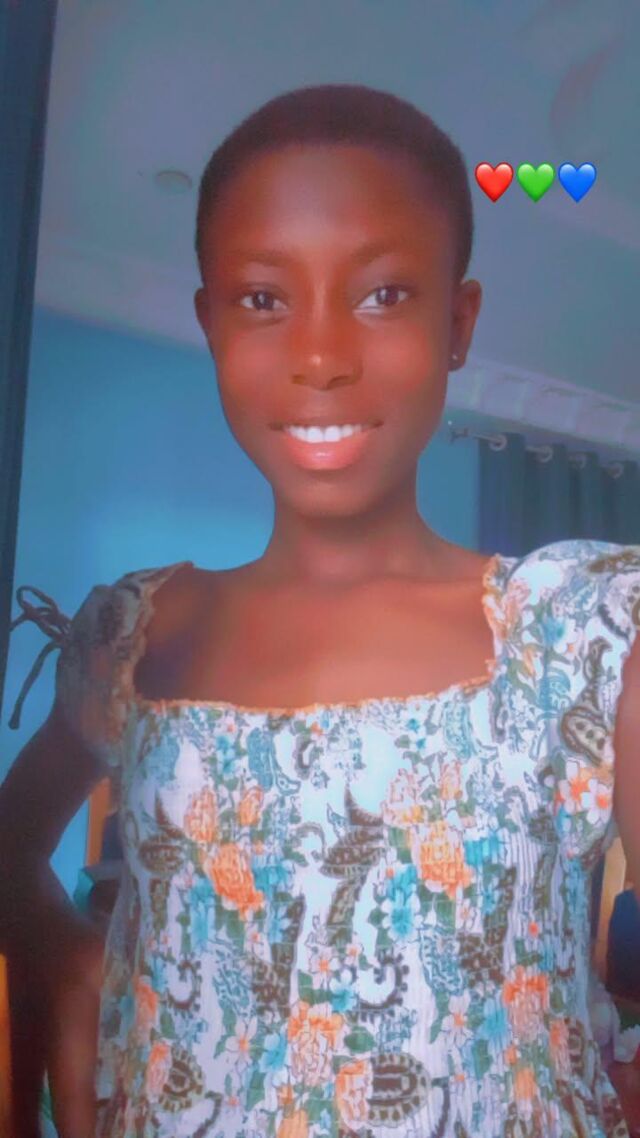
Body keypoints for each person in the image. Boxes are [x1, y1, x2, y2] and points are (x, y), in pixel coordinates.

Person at [1, 82, 639, 1138]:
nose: (321, 356)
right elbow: (11, 844)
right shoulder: (134, 633)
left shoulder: (580, 629)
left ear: (457, 323)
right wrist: (56, 943)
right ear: (209, 323)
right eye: (262, 299)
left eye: (382, 294)